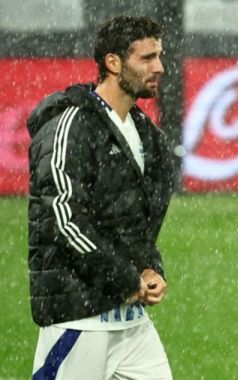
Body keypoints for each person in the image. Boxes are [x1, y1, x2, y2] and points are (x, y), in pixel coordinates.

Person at [27, 15, 175, 379]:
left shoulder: (148, 135)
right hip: (81, 318)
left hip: (132, 322)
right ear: (113, 63)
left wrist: (150, 266)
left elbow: (139, 223)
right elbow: (64, 218)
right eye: (147, 58)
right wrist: (125, 278)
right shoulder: (72, 125)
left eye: (160, 55)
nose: (160, 66)